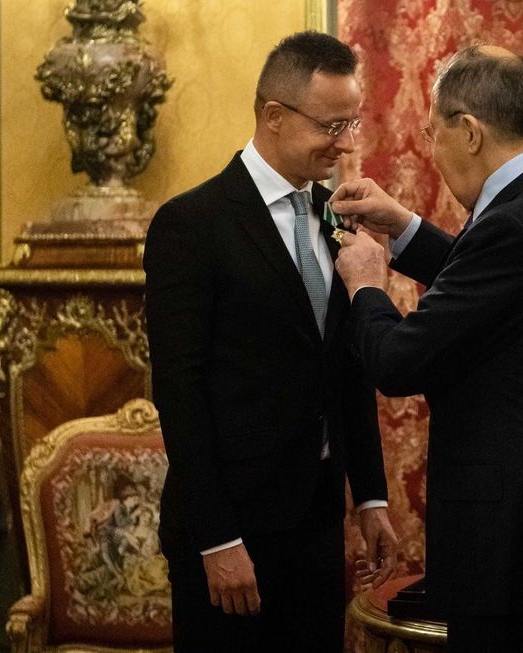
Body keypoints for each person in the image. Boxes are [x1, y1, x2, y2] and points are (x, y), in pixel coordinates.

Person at [331, 45, 523, 653]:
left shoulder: (515, 223)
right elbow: (497, 297)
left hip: (518, 559)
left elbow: (398, 362)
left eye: (432, 134)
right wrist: (405, 226)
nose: (432, 152)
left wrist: (367, 282)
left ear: (469, 132)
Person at [143, 31, 398, 652]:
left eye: (351, 124)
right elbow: (179, 392)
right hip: (230, 531)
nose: (346, 144)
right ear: (274, 115)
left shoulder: (338, 214)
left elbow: (347, 367)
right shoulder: (190, 223)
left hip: (316, 522)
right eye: (331, 126)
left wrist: (370, 496)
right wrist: (217, 539)